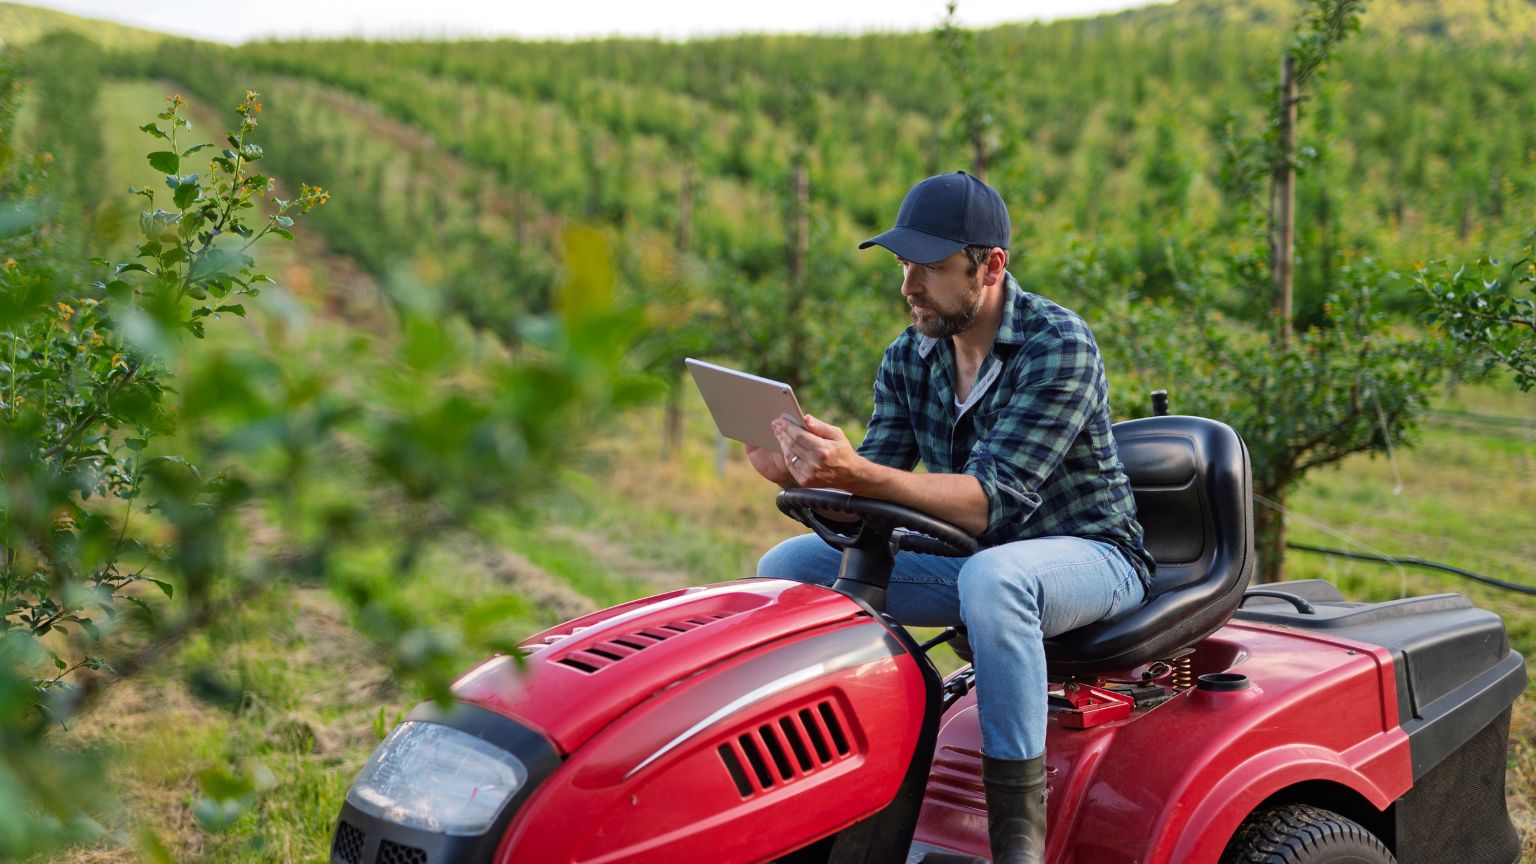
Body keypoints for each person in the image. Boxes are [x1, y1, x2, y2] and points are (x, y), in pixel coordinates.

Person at [747, 171, 1154, 864]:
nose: (908, 286)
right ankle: (834, 782)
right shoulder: (910, 357)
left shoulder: (1059, 345)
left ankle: (1017, 843)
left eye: (929, 268)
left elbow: (993, 496)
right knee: (786, 567)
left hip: (1090, 556)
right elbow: (874, 500)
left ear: (990, 266)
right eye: (904, 265)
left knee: (996, 580)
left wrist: (860, 473)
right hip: (974, 560)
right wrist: (804, 475)